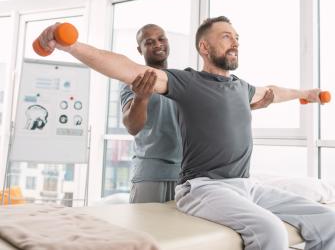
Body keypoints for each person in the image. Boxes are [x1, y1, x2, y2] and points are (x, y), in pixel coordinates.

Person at [36, 16, 335, 249]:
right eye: (226, 36)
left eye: (237, 37)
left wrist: (306, 93)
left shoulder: (241, 88)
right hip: (203, 186)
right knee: (269, 229)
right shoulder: (187, 82)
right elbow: (125, 69)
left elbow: (273, 91)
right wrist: (70, 45)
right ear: (204, 48)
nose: (235, 42)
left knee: (328, 220)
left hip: (245, 184)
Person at [121, 24, 274, 203]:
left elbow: (210, 114)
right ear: (140, 49)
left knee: (184, 231)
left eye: (161, 39)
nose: (158, 44)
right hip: (151, 174)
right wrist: (141, 98)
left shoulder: (184, 82)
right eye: (149, 42)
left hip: (188, 177)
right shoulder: (133, 83)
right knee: (145, 229)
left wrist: (250, 107)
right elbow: (132, 126)